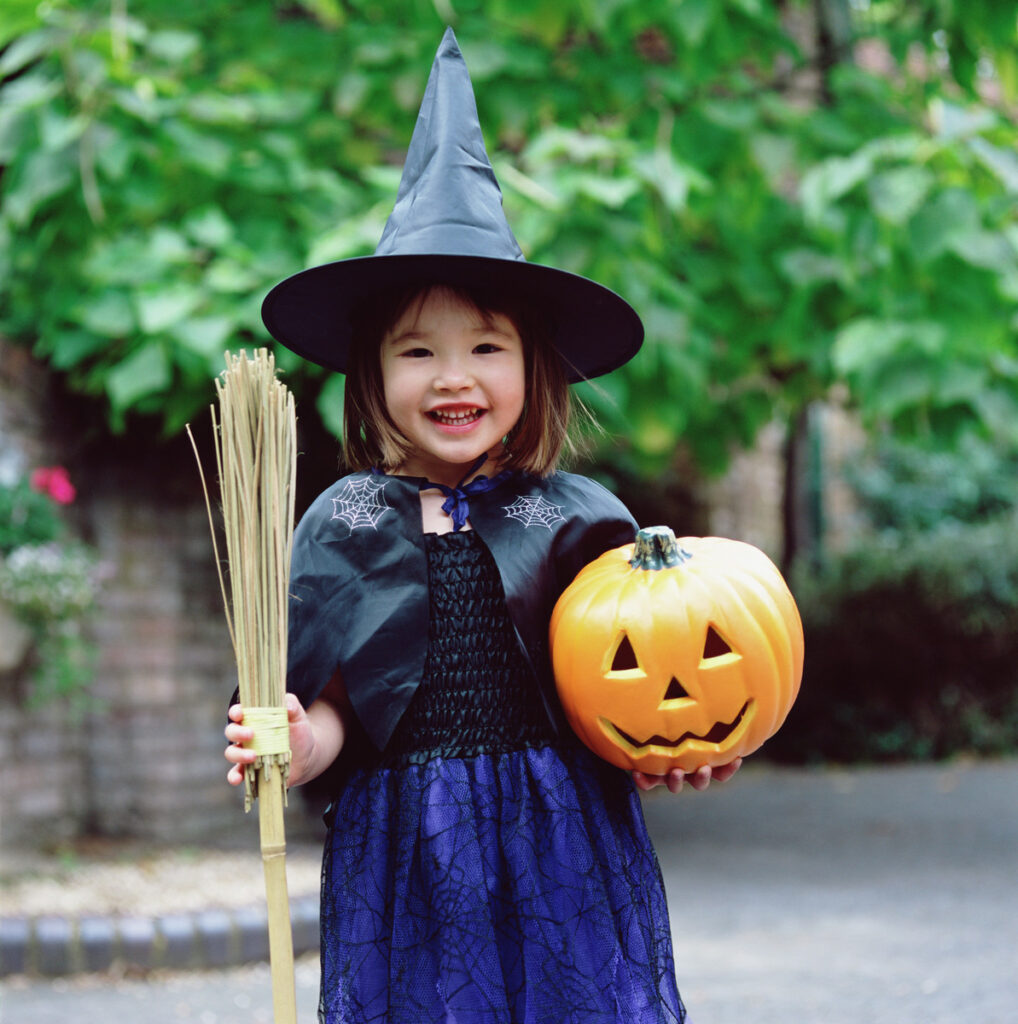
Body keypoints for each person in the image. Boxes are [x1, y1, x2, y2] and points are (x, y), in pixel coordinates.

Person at [225, 28, 739, 1024]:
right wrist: (296, 734)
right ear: (372, 376)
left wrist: (678, 748)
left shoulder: (578, 521)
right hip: (409, 856)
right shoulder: (348, 523)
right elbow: (339, 712)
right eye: (416, 350)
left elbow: (630, 692)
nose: (452, 375)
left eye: (485, 346)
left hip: (564, 845)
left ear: (532, 370)